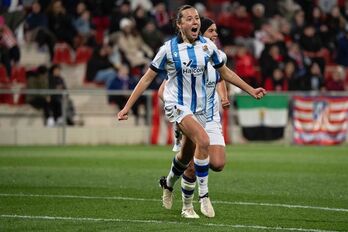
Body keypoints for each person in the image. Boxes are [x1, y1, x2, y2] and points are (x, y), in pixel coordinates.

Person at [117, 5, 266, 219]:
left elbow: (225, 72)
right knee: (203, 141)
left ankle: (168, 184)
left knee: (187, 156)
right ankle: (200, 199)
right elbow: (147, 79)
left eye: (196, 17)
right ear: (179, 24)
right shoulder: (168, 49)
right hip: (178, 106)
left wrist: (250, 90)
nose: (195, 21)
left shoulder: (207, 47)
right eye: (189, 18)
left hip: (201, 110)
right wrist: (127, 106)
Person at [158, 17, 231, 218]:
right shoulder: (184, 57)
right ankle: (190, 206)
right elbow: (163, 90)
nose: (215, 35)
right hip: (189, 116)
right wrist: (177, 113)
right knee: (190, 164)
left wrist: (224, 96)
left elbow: (221, 76)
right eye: (211, 31)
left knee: (217, 163)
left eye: (216, 31)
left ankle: (169, 181)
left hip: (211, 117)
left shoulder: (216, 55)